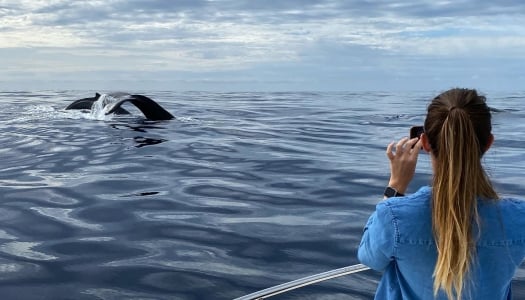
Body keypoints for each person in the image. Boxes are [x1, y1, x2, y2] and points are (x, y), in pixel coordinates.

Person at [357, 88, 525, 299]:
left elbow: (370, 258)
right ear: (489, 143)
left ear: (425, 143)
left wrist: (396, 186)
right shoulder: (520, 218)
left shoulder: (394, 217)